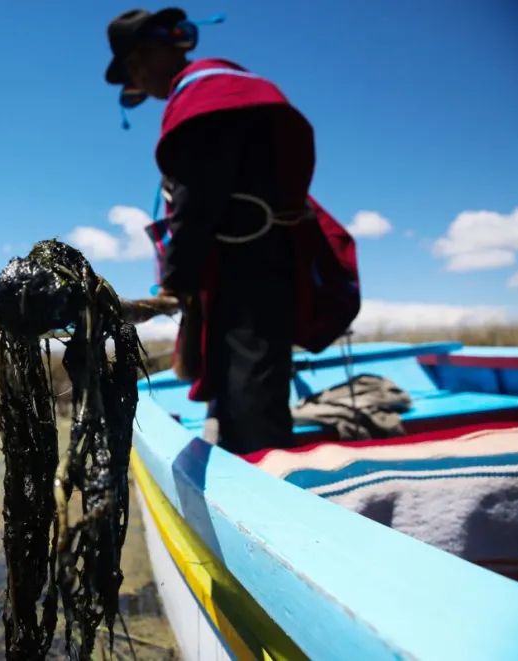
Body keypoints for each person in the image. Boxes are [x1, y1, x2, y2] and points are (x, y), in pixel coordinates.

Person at [103, 8, 360, 455]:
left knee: (252, 396)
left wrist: (175, 281)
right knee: (245, 385)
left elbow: (195, 200)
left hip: (250, 275)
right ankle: (251, 456)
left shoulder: (206, 98)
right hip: (249, 271)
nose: (138, 80)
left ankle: (268, 488)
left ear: (155, 54)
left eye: (137, 65)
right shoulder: (219, 93)